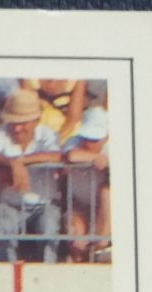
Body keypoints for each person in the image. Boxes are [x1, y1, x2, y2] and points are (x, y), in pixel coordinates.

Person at [0, 88, 64, 263]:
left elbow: (57, 156)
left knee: (49, 228)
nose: (17, 128)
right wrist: (11, 164)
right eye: (13, 122)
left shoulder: (46, 134)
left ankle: (48, 274)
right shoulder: (1, 133)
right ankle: (6, 274)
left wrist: (21, 161)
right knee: (4, 225)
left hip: (43, 205)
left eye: (23, 122)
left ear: (36, 120)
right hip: (10, 204)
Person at [61, 106, 111, 263]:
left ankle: (100, 247)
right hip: (78, 205)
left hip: (102, 208)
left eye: (94, 139)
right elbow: (71, 155)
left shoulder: (114, 145)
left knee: (107, 193)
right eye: (86, 137)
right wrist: (96, 157)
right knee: (77, 242)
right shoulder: (73, 141)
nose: (88, 143)